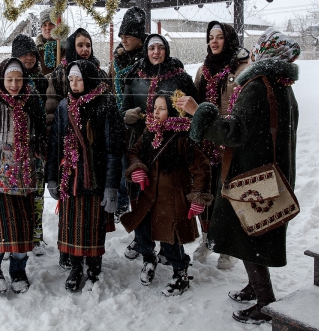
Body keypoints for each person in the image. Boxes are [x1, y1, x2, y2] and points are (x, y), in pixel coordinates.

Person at [178, 27, 300, 325]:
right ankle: (254, 286)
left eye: (259, 47)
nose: (254, 51)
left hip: (250, 176)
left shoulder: (258, 86)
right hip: (270, 173)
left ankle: (265, 300)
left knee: (248, 233)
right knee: (254, 231)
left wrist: (198, 112)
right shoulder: (282, 85)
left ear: (265, 52)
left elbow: (232, 133)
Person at [0, 57, 46, 295]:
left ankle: (18, 270)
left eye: (19, 79)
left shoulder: (31, 100)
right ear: (2, 79)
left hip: (25, 176)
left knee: (24, 228)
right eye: (10, 79)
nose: (14, 84)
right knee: (2, 228)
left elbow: (38, 137)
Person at [123, 91, 210, 296]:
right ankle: (149, 260)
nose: (156, 113)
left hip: (172, 200)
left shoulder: (183, 136)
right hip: (149, 197)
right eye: (154, 108)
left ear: (172, 111)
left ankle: (180, 273)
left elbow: (202, 167)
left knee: (171, 240)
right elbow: (133, 153)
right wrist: (137, 169)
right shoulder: (149, 133)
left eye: (162, 109)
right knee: (143, 232)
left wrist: (198, 196)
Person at [46, 60, 123, 292]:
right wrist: (52, 177)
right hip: (71, 178)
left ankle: (94, 267)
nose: (74, 84)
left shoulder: (106, 103)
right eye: (71, 79)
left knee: (92, 226)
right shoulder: (63, 106)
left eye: (78, 79)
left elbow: (113, 149)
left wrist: (111, 186)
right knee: (71, 226)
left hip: (95, 178)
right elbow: (55, 145)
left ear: (89, 79)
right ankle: (76, 267)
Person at [119, 33, 197, 260]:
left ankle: (168, 243)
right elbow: (123, 107)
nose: (156, 52)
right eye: (151, 48)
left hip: (170, 144)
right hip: (140, 143)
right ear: (146, 50)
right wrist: (127, 115)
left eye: (160, 48)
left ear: (166, 50)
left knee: (166, 195)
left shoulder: (180, 76)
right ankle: (142, 240)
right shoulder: (134, 75)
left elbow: (194, 107)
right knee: (141, 193)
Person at [46, 27, 110, 269]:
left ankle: (92, 257)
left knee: (92, 213)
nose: (84, 49)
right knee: (70, 208)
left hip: (93, 154)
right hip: (68, 151)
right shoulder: (60, 75)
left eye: (88, 45)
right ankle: (68, 251)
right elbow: (53, 115)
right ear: (72, 46)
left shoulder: (100, 74)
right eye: (80, 45)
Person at [191, 21, 250, 270]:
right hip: (207, 143)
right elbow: (195, 99)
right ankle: (208, 238)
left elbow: (243, 102)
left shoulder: (240, 67)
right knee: (207, 192)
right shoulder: (204, 69)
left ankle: (229, 247)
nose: (214, 42)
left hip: (229, 141)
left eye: (219, 37)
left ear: (229, 39)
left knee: (228, 194)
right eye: (210, 37)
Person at [109, 7, 148, 223]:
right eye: (122, 36)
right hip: (119, 116)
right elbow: (110, 85)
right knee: (121, 160)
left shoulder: (147, 59)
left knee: (136, 164)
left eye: (128, 36)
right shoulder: (119, 59)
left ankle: (136, 205)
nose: (124, 40)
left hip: (140, 120)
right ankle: (123, 201)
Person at [11, 34, 48, 256]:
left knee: (37, 193)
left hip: (37, 146)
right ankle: (19, 234)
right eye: (23, 54)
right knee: (18, 194)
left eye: (32, 54)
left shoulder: (42, 81)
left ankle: (37, 235)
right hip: (15, 147)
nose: (29, 58)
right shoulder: (11, 81)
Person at [36, 8, 65, 75]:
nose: (47, 28)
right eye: (44, 25)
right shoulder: (35, 50)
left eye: (51, 24)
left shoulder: (66, 48)